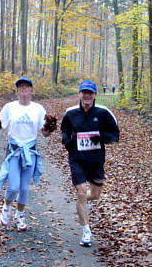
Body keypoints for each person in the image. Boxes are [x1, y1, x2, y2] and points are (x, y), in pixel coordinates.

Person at [0, 77, 56, 231]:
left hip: (30, 151)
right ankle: (6, 208)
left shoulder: (38, 109)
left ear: (31, 90)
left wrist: (50, 129)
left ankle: (20, 215)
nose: (24, 90)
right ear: (17, 91)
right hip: (14, 150)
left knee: (24, 188)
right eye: (21, 87)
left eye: (27, 87)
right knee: (13, 187)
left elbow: (44, 132)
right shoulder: (9, 107)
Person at [60, 79, 119, 247]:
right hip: (77, 159)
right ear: (79, 94)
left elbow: (115, 134)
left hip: (96, 161)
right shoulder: (71, 113)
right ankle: (86, 231)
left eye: (90, 93)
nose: (87, 95)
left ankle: (83, 204)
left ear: (94, 95)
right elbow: (65, 129)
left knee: (94, 195)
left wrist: (101, 137)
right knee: (81, 193)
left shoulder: (103, 112)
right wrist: (66, 140)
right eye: (84, 92)